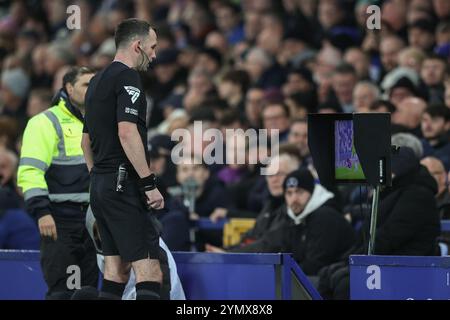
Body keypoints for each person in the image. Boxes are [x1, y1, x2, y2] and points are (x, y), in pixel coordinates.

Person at [82, 19, 165, 300]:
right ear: (138, 45)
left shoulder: (95, 82)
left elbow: (85, 141)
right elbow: (127, 132)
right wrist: (147, 182)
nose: (154, 55)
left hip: (101, 187)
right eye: (152, 48)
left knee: (116, 269)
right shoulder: (128, 77)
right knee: (149, 270)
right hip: (123, 184)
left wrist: (98, 178)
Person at [17, 66, 98, 299]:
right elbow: (30, 170)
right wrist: (41, 211)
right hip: (59, 219)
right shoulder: (44, 122)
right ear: (69, 88)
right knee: (61, 292)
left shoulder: (100, 121)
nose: (91, 90)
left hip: (93, 220)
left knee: (88, 291)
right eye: (85, 85)